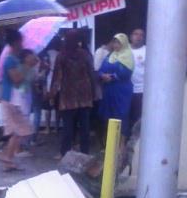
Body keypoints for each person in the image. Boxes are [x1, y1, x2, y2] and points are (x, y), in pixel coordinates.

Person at [52, 30, 95, 158]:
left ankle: (65, 153)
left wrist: (52, 94)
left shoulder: (62, 55)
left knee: (68, 127)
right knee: (84, 127)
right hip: (85, 95)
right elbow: (91, 73)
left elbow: (57, 77)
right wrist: (94, 92)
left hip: (68, 96)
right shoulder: (85, 54)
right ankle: (85, 153)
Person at [0, 29, 33, 171]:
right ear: (15, 43)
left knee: (15, 131)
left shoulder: (15, 58)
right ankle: (5, 156)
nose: (22, 44)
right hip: (11, 98)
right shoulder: (10, 60)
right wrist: (27, 66)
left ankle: (8, 162)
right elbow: (16, 79)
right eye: (20, 42)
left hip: (12, 98)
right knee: (20, 130)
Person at [98, 33, 134, 140]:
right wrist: (102, 75)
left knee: (121, 114)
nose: (116, 45)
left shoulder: (128, 56)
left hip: (122, 90)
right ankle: (110, 143)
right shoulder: (110, 56)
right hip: (109, 90)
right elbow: (101, 70)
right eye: (114, 42)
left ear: (124, 43)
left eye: (118, 42)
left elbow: (126, 73)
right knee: (109, 115)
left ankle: (121, 145)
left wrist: (112, 77)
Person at [129, 28, 146, 129]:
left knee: (138, 117)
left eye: (141, 35)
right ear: (131, 36)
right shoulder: (124, 50)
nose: (138, 37)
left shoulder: (148, 51)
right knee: (126, 116)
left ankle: (135, 141)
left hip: (141, 90)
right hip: (126, 89)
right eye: (136, 34)